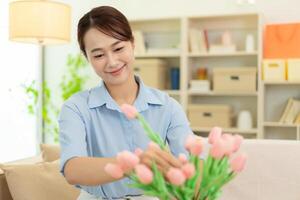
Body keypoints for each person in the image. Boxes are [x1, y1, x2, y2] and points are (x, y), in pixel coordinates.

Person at [59, 5, 192, 200]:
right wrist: (132, 163)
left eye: (119, 48)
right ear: (87, 57)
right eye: (98, 55)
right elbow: (72, 169)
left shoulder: (168, 107)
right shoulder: (76, 107)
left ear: (132, 43)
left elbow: (191, 169)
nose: (112, 62)